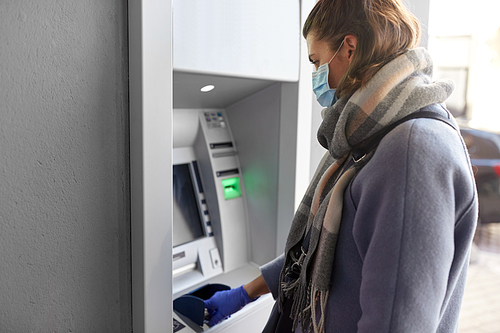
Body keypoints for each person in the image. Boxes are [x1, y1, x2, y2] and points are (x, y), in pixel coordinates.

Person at [204, 0, 478, 332]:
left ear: (349, 48)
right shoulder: (370, 134)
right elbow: (323, 255)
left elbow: (395, 323)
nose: (317, 77)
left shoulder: (411, 152)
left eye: (317, 61)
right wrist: (245, 293)